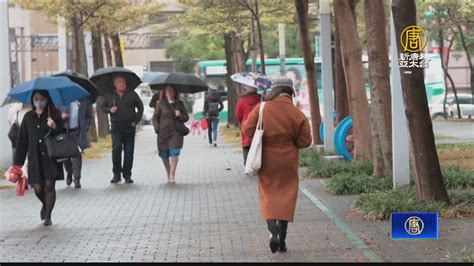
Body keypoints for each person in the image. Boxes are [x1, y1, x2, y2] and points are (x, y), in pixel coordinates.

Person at [244, 78, 312, 253]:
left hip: (267, 158)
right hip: (288, 159)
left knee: (268, 194)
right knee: (286, 196)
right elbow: (305, 141)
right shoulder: (297, 113)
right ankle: (282, 240)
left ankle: (272, 230)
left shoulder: (262, 108)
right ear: (290, 92)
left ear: (274, 91)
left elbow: (248, 130)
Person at [13, 90, 66, 226]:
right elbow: (22, 141)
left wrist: (54, 127)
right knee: (37, 187)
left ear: (47, 99)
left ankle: (48, 215)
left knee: (49, 185)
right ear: (33, 100)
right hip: (34, 157)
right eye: (36, 99)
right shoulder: (28, 117)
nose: (39, 101)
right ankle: (45, 203)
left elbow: (62, 133)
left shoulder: (53, 115)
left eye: (42, 98)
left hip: (50, 156)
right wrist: (17, 163)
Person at [100, 75, 144, 184]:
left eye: (123, 82)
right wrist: (110, 109)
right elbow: (102, 108)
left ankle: (127, 175)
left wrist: (136, 121)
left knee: (129, 151)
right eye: (119, 82)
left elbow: (140, 107)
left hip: (129, 126)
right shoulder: (109, 95)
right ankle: (116, 174)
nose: (122, 84)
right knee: (116, 149)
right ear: (115, 85)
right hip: (116, 127)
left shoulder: (132, 94)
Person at [152, 85, 189, 183]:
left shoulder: (179, 104)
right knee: (164, 154)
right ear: (164, 92)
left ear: (175, 92)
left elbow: (186, 117)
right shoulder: (160, 104)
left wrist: (179, 115)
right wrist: (157, 128)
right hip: (163, 133)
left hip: (176, 132)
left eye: (172, 91)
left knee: (174, 152)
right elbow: (155, 118)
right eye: (168, 91)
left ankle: (172, 173)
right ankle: (168, 171)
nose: (170, 92)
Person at [59, 96, 93, 189]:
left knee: (77, 154)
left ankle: (77, 178)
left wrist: (85, 127)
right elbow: (55, 114)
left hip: (78, 131)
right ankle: (69, 172)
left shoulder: (85, 101)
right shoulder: (63, 100)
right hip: (65, 131)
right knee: (65, 155)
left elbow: (89, 116)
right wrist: (61, 116)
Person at [235, 85, 262, 165]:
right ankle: (259, 163)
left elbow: (238, 115)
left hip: (246, 124)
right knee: (259, 143)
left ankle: (247, 163)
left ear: (246, 88)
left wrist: (243, 122)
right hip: (259, 124)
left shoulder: (241, 100)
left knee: (247, 144)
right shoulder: (261, 98)